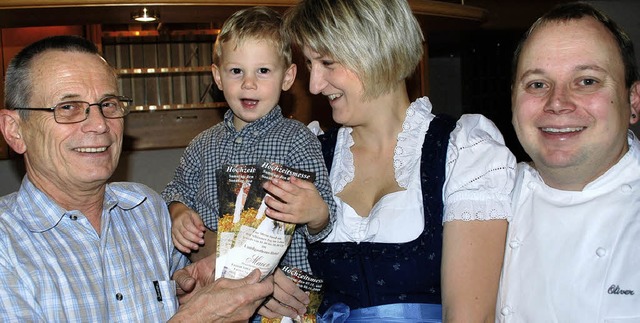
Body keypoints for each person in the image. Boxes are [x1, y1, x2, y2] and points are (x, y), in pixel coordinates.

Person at [271, 0, 517, 321]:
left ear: (377, 50)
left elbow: (470, 316)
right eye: (309, 65)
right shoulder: (309, 153)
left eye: (327, 63)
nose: (315, 85)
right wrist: (270, 287)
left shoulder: (463, 152)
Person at [0, 34, 273, 321]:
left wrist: (239, 274)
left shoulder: (147, 207)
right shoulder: (6, 245)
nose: (99, 124)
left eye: (108, 104)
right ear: (15, 130)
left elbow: (190, 280)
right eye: (68, 107)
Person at [161, 6, 335, 319]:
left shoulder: (298, 141)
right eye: (236, 71)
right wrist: (178, 212)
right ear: (217, 76)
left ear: (288, 77)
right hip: (214, 299)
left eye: (263, 71)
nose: (249, 84)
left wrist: (316, 212)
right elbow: (175, 190)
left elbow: (326, 221)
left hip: (283, 301)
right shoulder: (201, 146)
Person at [496, 2, 640, 321]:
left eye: (587, 81)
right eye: (537, 84)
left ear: (633, 100)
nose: (557, 102)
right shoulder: (483, 199)